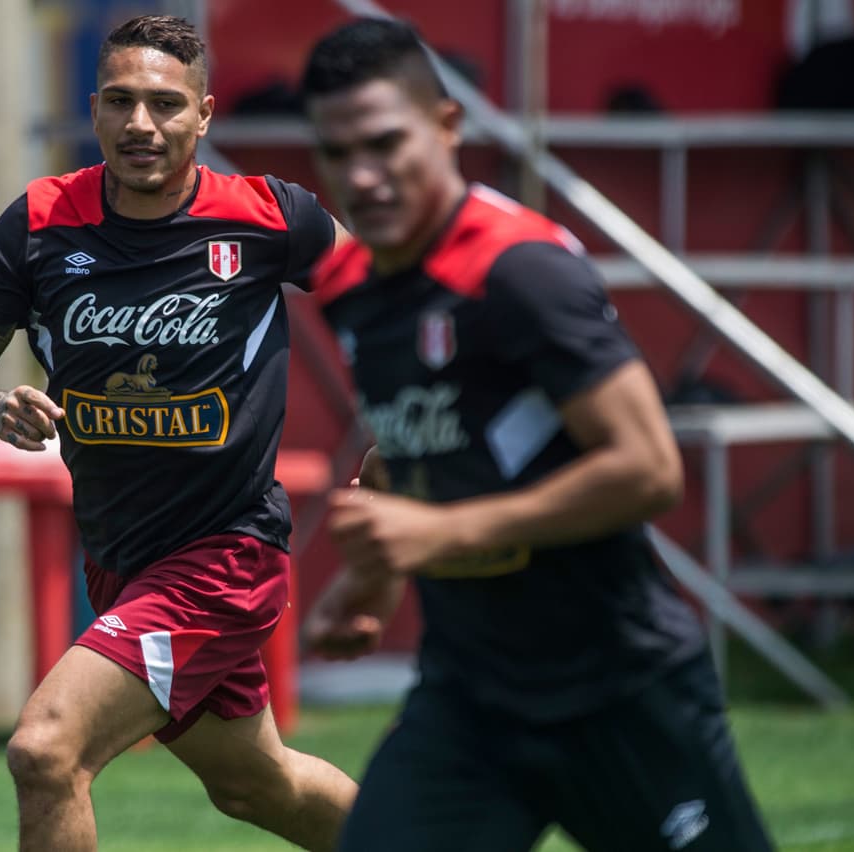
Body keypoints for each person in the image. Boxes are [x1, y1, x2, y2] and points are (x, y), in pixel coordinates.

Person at [300, 18, 773, 852]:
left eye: (385, 144)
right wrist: (372, 581)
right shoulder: (352, 288)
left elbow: (648, 468)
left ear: (447, 127)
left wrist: (444, 531)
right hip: (468, 701)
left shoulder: (520, 270)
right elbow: (420, 445)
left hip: (620, 691)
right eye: (338, 155)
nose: (363, 177)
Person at [0, 15, 356, 851]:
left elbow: (393, 306)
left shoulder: (269, 217)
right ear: (93, 110)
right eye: (120, 101)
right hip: (122, 560)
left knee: (47, 749)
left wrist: (401, 439)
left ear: (204, 115)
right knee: (257, 786)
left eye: (164, 104)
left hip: (227, 556)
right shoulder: (41, 221)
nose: (141, 125)